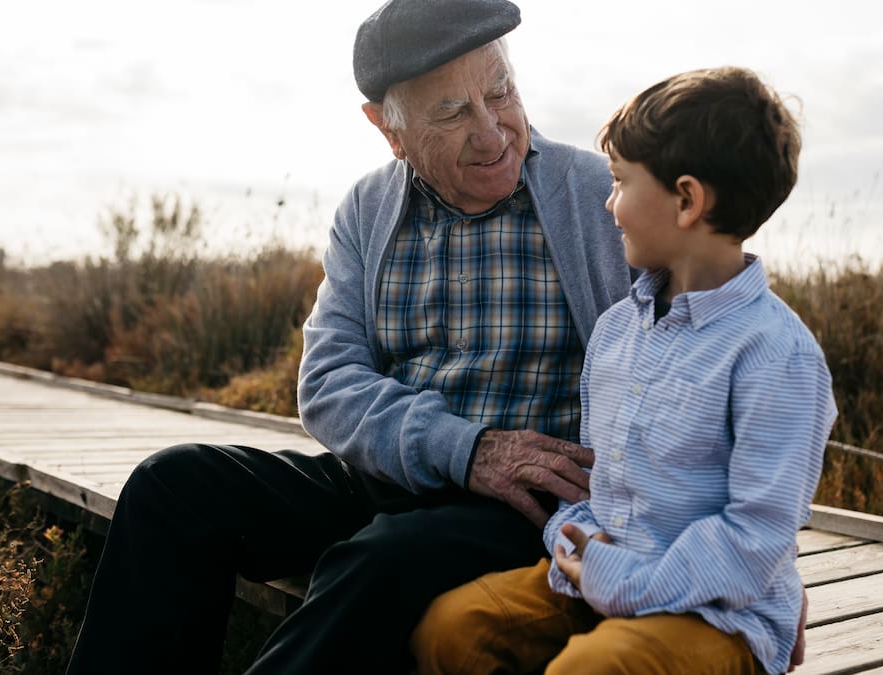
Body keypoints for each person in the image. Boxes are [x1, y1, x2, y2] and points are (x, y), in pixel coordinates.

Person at [65, 1, 635, 673]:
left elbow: (697, 340)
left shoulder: (599, 195)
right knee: (173, 485)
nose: (492, 133)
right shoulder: (367, 208)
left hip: (523, 503)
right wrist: (465, 446)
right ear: (387, 129)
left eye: (501, 91)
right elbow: (329, 383)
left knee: (380, 559)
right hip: (389, 476)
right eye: (452, 112)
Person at [410, 66, 838, 675]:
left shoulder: (777, 355)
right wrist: (571, 541)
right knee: (453, 630)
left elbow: (755, 540)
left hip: (718, 617)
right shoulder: (615, 333)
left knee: (591, 669)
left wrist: (616, 579)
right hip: (596, 578)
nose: (608, 204)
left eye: (619, 183)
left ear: (687, 200)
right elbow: (599, 483)